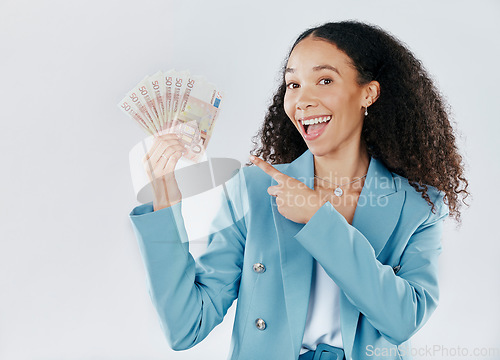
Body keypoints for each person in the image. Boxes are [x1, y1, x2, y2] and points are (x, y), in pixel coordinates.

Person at [129, 21, 469, 360]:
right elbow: (186, 326)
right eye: (293, 84)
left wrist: (320, 220)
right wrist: (165, 201)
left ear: (369, 93)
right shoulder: (253, 191)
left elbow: (402, 320)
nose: (302, 101)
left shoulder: (418, 205)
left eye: (324, 80)